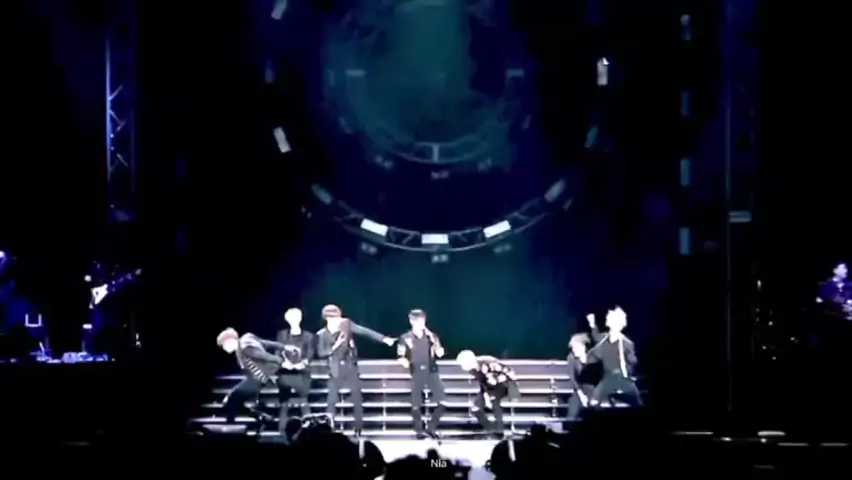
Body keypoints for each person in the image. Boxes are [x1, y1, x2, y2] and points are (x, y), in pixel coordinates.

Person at [316, 304, 395, 436]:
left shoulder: (346, 324)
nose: (338, 320)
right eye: (334, 318)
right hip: (335, 368)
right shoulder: (321, 334)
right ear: (327, 318)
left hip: (350, 365)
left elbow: (364, 331)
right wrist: (335, 346)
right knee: (331, 400)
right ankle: (329, 428)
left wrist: (384, 339)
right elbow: (321, 353)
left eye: (338, 317)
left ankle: (358, 429)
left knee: (357, 397)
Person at [217, 327, 287, 424]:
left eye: (224, 345)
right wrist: (283, 346)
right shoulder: (246, 340)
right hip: (256, 379)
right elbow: (265, 343)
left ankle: (231, 423)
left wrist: (281, 362)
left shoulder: (245, 347)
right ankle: (262, 416)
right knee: (234, 402)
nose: (224, 348)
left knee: (231, 399)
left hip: (258, 379)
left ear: (230, 340)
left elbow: (264, 356)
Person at [396, 309, 447, 439]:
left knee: (442, 400)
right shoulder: (405, 338)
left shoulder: (431, 336)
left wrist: (436, 345)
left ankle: (431, 428)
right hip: (416, 371)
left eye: (422, 321)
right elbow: (401, 355)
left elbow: (440, 353)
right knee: (416, 403)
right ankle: (419, 430)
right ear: (411, 321)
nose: (420, 324)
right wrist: (404, 361)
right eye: (417, 321)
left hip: (431, 371)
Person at [584, 307, 643, 407]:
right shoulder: (604, 339)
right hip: (608, 378)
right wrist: (592, 324)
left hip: (622, 378)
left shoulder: (626, 343)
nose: (606, 318)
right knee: (593, 403)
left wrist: (628, 368)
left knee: (638, 403)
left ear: (616, 322)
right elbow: (596, 337)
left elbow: (632, 362)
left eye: (609, 317)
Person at [456, 350, 519, 438]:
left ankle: (499, 430)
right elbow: (483, 382)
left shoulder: (488, 364)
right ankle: (491, 428)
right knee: (476, 408)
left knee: (494, 400)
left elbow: (505, 375)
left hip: (504, 384)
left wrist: (489, 397)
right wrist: (485, 395)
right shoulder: (473, 369)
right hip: (489, 386)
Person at [276, 308, 315, 432]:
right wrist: (284, 363)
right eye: (291, 318)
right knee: (285, 402)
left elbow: (310, 354)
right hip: (286, 372)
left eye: (296, 318)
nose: (294, 320)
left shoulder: (308, 336)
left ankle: (308, 429)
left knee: (303, 398)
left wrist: (302, 364)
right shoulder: (282, 335)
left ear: (300, 319)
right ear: (287, 320)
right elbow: (278, 352)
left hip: (301, 372)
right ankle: (282, 430)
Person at [565, 317, 600, 421]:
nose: (574, 350)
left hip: (594, 389)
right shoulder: (571, 358)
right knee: (573, 407)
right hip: (579, 389)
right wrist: (581, 395)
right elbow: (572, 378)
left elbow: (599, 342)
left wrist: (593, 325)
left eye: (576, 347)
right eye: (572, 348)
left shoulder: (593, 356)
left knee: (595, 407)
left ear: (583, 346)